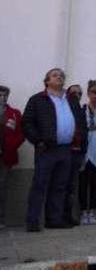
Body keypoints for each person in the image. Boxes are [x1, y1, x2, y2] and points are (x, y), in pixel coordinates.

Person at [22, 69, 81, 231]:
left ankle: (54, 219)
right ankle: (33, 221)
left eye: (62, 75)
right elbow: (27, 123)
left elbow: (79, 121)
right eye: (55, 75)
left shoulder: (71, 100)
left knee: (60, 185)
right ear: (47, 81)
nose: (60, 77)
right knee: (40, 185)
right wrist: (38, 141)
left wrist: (78, 139)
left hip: (66, 149)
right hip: (46, 149)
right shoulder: (38, 99)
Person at [78, 80, 96, 225]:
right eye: (94, 92)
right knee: (83, 181)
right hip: (85, 148)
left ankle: (92, 212)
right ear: (88, 93)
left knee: (95, 182)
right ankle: (83, 211)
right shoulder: (82, 109)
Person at [0, 85, 25, 229]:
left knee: (2, 188)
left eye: (5, 95)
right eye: (0, 95)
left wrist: (12, 145)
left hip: (5, 156)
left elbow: (21, 133)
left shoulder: (14, 113)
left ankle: (1, 219)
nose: (3, 98)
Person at [63, 84, 86, 226]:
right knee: (61, 185)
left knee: (71, 186)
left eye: (79, 93)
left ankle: (67, 215)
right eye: (73, 93)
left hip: (77, 152)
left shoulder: (80, 110)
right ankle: (56, 216)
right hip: (64, 151)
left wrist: (83, 153)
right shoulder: (63, 108)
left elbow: (84, 132)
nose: (76, 95)